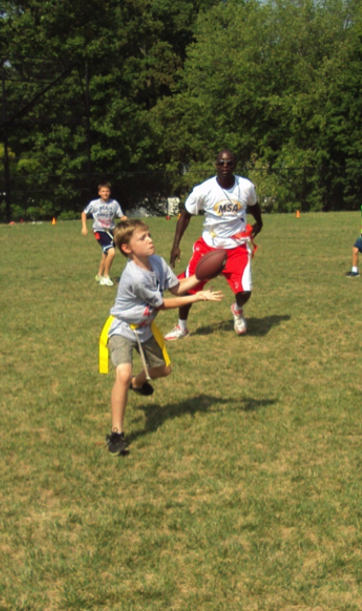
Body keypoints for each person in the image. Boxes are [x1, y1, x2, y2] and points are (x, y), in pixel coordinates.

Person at [100, 219, 222, 454]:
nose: (150, 240)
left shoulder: (157, 262)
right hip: (123, 328)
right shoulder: (134, 277)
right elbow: (162, 304)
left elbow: (176, 288)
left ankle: (137, 383)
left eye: (149, 235)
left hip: (145, 328)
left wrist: (201, 276)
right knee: (122, 374)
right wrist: (198, 297)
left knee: (163, 370)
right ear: (127, 248)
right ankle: (116, 434)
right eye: (142, 238)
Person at [164, 150, 263, 339]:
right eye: (221, 163)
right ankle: (182, 327)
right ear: (216, 165)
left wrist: (259, 222)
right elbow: (185, 216)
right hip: (209, 246)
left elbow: (253, 205)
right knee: (186, 288)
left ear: (235, 165)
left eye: (229, 163)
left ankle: (237, 309)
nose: (225, 166)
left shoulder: (246, 186)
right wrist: (176, 245)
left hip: (237, 247)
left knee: (245, 292)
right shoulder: (203, 189)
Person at [81, 182, 127, 286]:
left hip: (111, 231)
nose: (105, 193)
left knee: (106, 254)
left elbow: (121, 215)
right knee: (112, 252)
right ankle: (106, 276)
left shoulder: (114, 203)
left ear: (110, 192)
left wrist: (123, 218)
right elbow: (84, 213)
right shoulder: (94, 203)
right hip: (99, 230)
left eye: (107, 191)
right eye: (103, 191)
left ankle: (99, 275)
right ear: (99, 193)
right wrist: (84, 227)